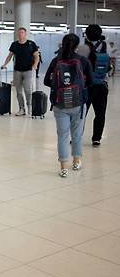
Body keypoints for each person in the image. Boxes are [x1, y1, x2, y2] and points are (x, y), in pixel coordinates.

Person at [43, 33, 93, 178]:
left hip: (60, 104)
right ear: (77, 46)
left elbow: (47, 81)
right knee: (77, 134)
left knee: (62, 135)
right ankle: (77, 161)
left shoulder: (56, 60)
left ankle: (63, 167)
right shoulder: (83, 61)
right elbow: (90, 81)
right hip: (78, 102)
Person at [78, 24, 110, 147]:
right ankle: (96, 138)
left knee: (82, 113)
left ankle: (77, 135)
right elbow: (109, 66)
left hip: (87, 85)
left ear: (87, 34)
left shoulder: (83, 48)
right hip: (102, 84)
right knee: (100, 113)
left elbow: (79, 66)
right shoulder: (105, 46)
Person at [1, 27, 40, 116]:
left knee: (28, 90)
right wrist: (5, 64)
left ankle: (29, 107)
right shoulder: (14, 44)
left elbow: (36, 56)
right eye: (19, 33)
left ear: (25, 34)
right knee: (18, 91)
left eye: (22, 32)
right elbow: (10, 56)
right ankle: (21, 108)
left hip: (28, 70)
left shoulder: (31, 44)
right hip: (17, 70)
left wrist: (35, 64)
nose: (20, 34)